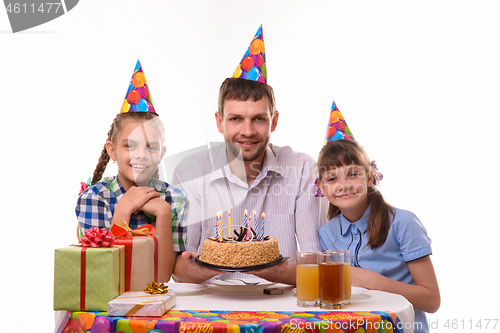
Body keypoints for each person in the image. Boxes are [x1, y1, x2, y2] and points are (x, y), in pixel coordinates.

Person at [171, 75, 324, 284]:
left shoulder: (302, 169)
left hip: (280, 304)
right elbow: (178, 268)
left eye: (259, 119)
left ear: (274, 121)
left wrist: (269, 269)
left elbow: (315, 263)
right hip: (210, 305)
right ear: (219, 122)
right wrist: (220, 260)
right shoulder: (190, 172)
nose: (248, 131)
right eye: (236, 119)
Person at [75, 60, 186, 281]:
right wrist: (123, 210)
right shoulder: (94, 199)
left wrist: (163, 214)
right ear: (112, 150)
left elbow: (161, 278)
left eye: (151, 147)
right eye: (129, 145)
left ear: (161, 153)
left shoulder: (173, 198)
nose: (141, 154)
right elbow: (101, 275)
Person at [317, 139, 440, 333]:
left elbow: (431, 300)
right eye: (332, 179)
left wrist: (374, 282)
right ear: (322, 187)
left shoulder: (403, 223)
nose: (344, 185)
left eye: (352, 174)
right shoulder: (326, 234)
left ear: (368, 177)